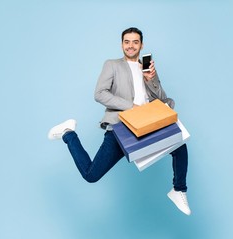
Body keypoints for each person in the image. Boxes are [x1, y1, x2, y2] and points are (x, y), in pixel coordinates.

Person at [48, 27, 191, 215]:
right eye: (127, 42)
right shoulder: (112, 65)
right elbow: (99, 94)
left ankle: (178, 189)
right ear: (122, 44)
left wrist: (151, 79)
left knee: (179, 145)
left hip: (147, 125)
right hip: (121, 127)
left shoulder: (147, 68)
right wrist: (131, 107)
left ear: (141, 45)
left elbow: (161, 100)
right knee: (91, 175)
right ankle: (68, 133)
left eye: (135, 42)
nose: (131, 46)